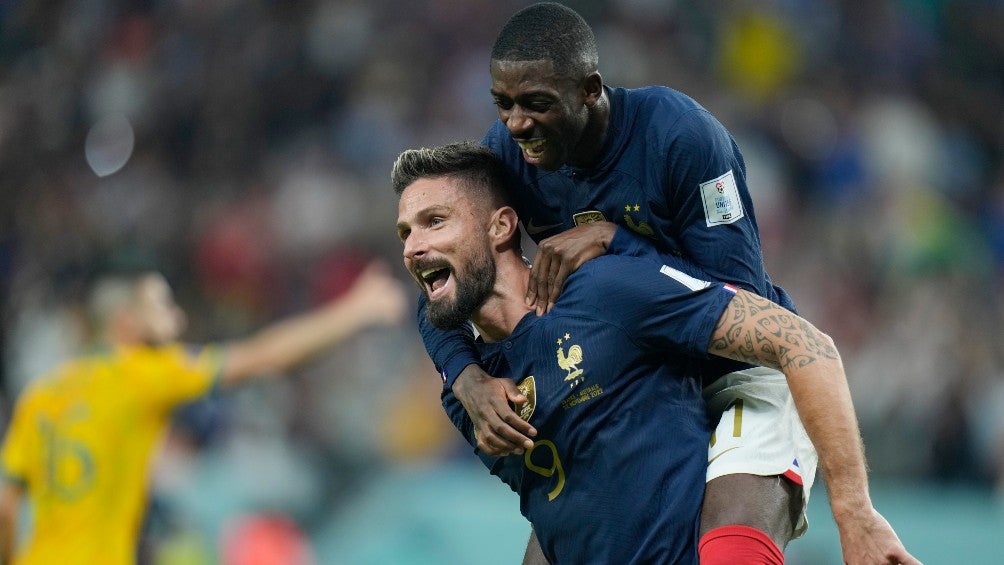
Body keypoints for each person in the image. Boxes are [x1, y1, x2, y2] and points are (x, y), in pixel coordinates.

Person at [414, 3, 914, 563]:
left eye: (536, 104)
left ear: (589, 90)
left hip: (734, 374)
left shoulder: (682, 138)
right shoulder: (511, 153)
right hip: (635, 378)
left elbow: (736, 298)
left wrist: (616, 241)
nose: (516, 123)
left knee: (731, 553)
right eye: (502, 104)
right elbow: (447, 272)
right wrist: (465, 375)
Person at [0, 260, 408, 564]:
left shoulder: (41, 395)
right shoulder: (138, 374)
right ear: (125, 323)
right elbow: (263, 357)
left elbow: (5, 505)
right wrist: (356, 310)